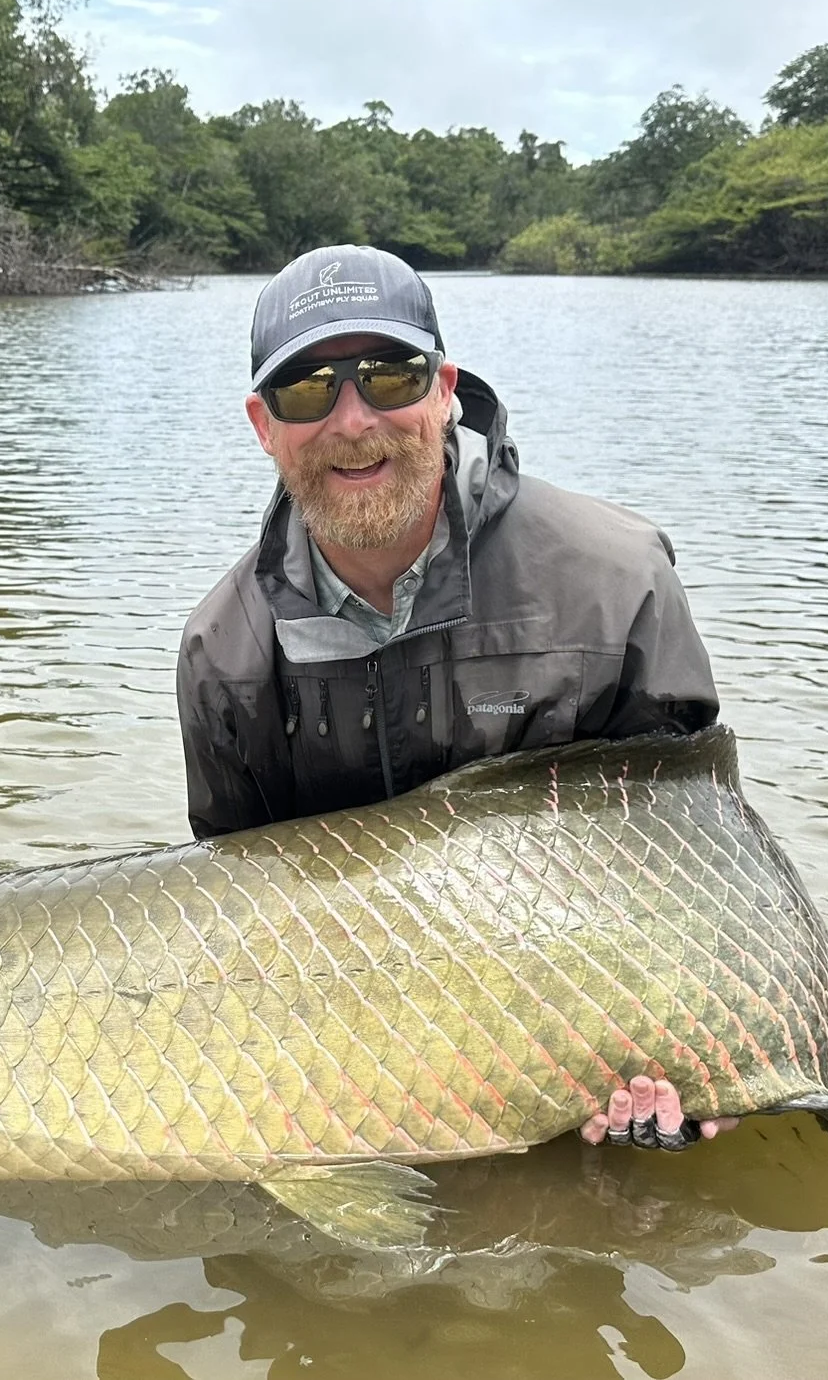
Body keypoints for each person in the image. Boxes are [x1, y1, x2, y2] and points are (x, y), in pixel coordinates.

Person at [177, 245, 729, 1152]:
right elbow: (247, 929)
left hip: (581, 999)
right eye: (308, 391)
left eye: (388, 376)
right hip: (362, 1035)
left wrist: (700, 1047)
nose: (353, 421)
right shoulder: (221, 653)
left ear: (444, 389)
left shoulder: (617, 580)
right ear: (262, 425)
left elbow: (696, 863)